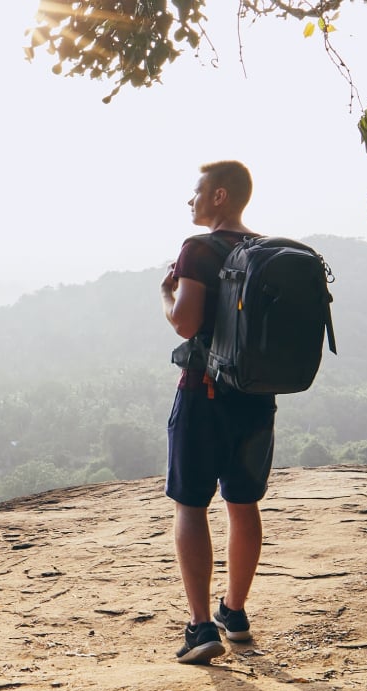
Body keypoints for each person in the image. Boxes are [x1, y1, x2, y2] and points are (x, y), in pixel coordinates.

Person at [160, 161, 277, 665]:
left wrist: (165, 294)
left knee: (190, 504)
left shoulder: (199, 250)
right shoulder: (266, 251)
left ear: (220, 196)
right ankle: (236, 612)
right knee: (243, 503)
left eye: (197, 190)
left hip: (204, 396)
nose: (191, 198)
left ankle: (200, 626)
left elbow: (186, 323)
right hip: (255, 398)